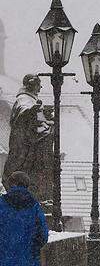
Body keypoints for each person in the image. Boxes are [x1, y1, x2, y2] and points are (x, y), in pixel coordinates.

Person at [2, 74, 54, 203]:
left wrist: (45, 115)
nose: (40, 88)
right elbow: (22, 111)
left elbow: (41, 122)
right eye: (38, 85)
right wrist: (32, 111)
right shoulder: (23, 99)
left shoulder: (32, 99)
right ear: (31, 85)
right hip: (24, 143)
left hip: (34, 141)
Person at [0, 171, 49, 266]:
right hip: (28, 260)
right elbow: (43, 235)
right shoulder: (35, 207)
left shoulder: (1, 204)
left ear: (11, 184)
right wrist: (31, 250)